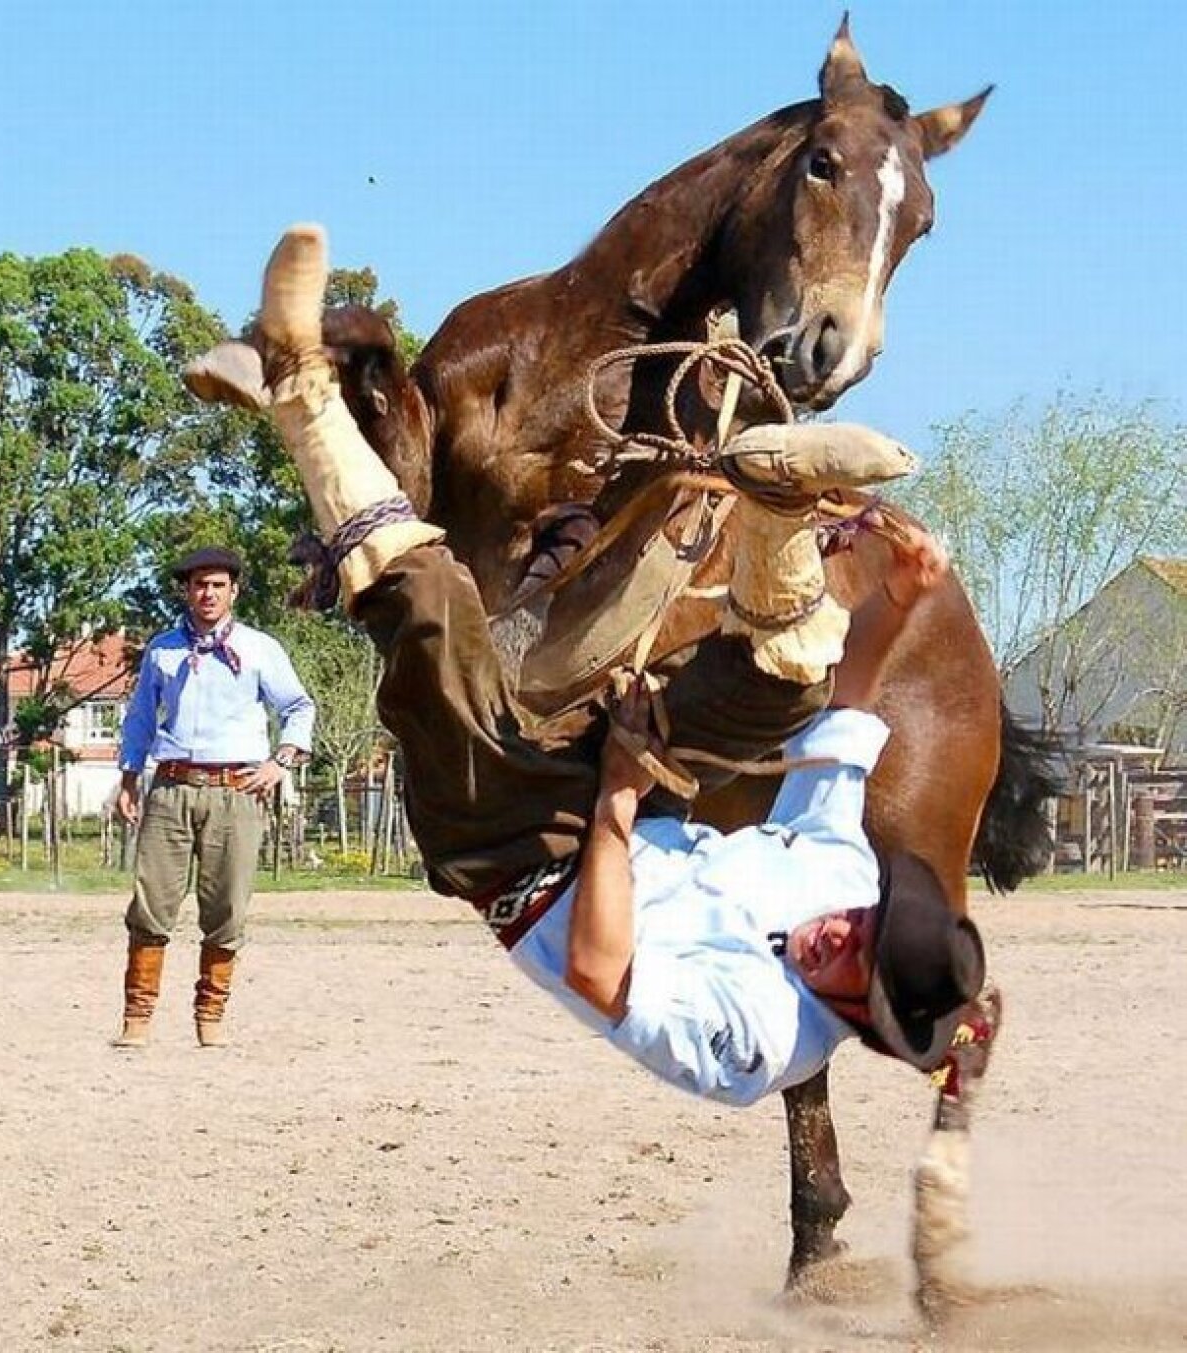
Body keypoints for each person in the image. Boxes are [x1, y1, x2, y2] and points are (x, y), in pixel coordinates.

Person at [239, 223, 987, 1103]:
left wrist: (621, 802)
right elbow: (852, 716)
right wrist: (894, 601)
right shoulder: (843, 879)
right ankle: (778, 507)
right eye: (862, 924)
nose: (839, 932)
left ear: (864, 1013)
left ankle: (301, 388)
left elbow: (601, 970)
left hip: (529, 852)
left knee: (433, 601)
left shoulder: (757, 1040)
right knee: (780, 693)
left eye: (855, 955)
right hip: (632, 795)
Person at [113, 545, 316, 1048]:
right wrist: (130, 776)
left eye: (218, 585)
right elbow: (140, 718)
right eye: (200, 585)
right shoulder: (161, 650)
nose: (208, 593)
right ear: (187, 591)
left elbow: (297, 706)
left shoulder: (260, 649)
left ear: (234, 591)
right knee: (151, 903)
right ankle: (136, 1018)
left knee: (227, 907)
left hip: (236, 792)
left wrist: (280, 761)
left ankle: (211, 1017)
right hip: (171, 789)